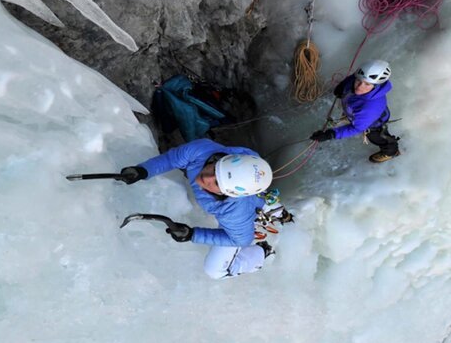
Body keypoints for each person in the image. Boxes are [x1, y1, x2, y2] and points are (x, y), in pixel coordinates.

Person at [119, 138, 275, 279]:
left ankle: (262, 254)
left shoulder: (234, 212)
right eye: (214, 170)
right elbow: (172, 159)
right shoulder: (201, 150)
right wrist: (143, 170)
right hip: (249, 202)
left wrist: (193, 234)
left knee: (215, 271)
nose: (206, 178)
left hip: (249, 217)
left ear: (226, 194)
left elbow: (240, 239)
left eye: (217, 183)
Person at [310, 59, 400, 163]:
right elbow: (353, 78)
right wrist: (342, 87)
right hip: (358, 112)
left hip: (373, 123)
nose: (360, 87)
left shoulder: (369, 108)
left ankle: (392, 152)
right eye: (359, 81)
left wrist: (330, 134)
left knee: (376, 137)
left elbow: (355, 128)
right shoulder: (359, 78)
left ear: (375, 86)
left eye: (367, 84)